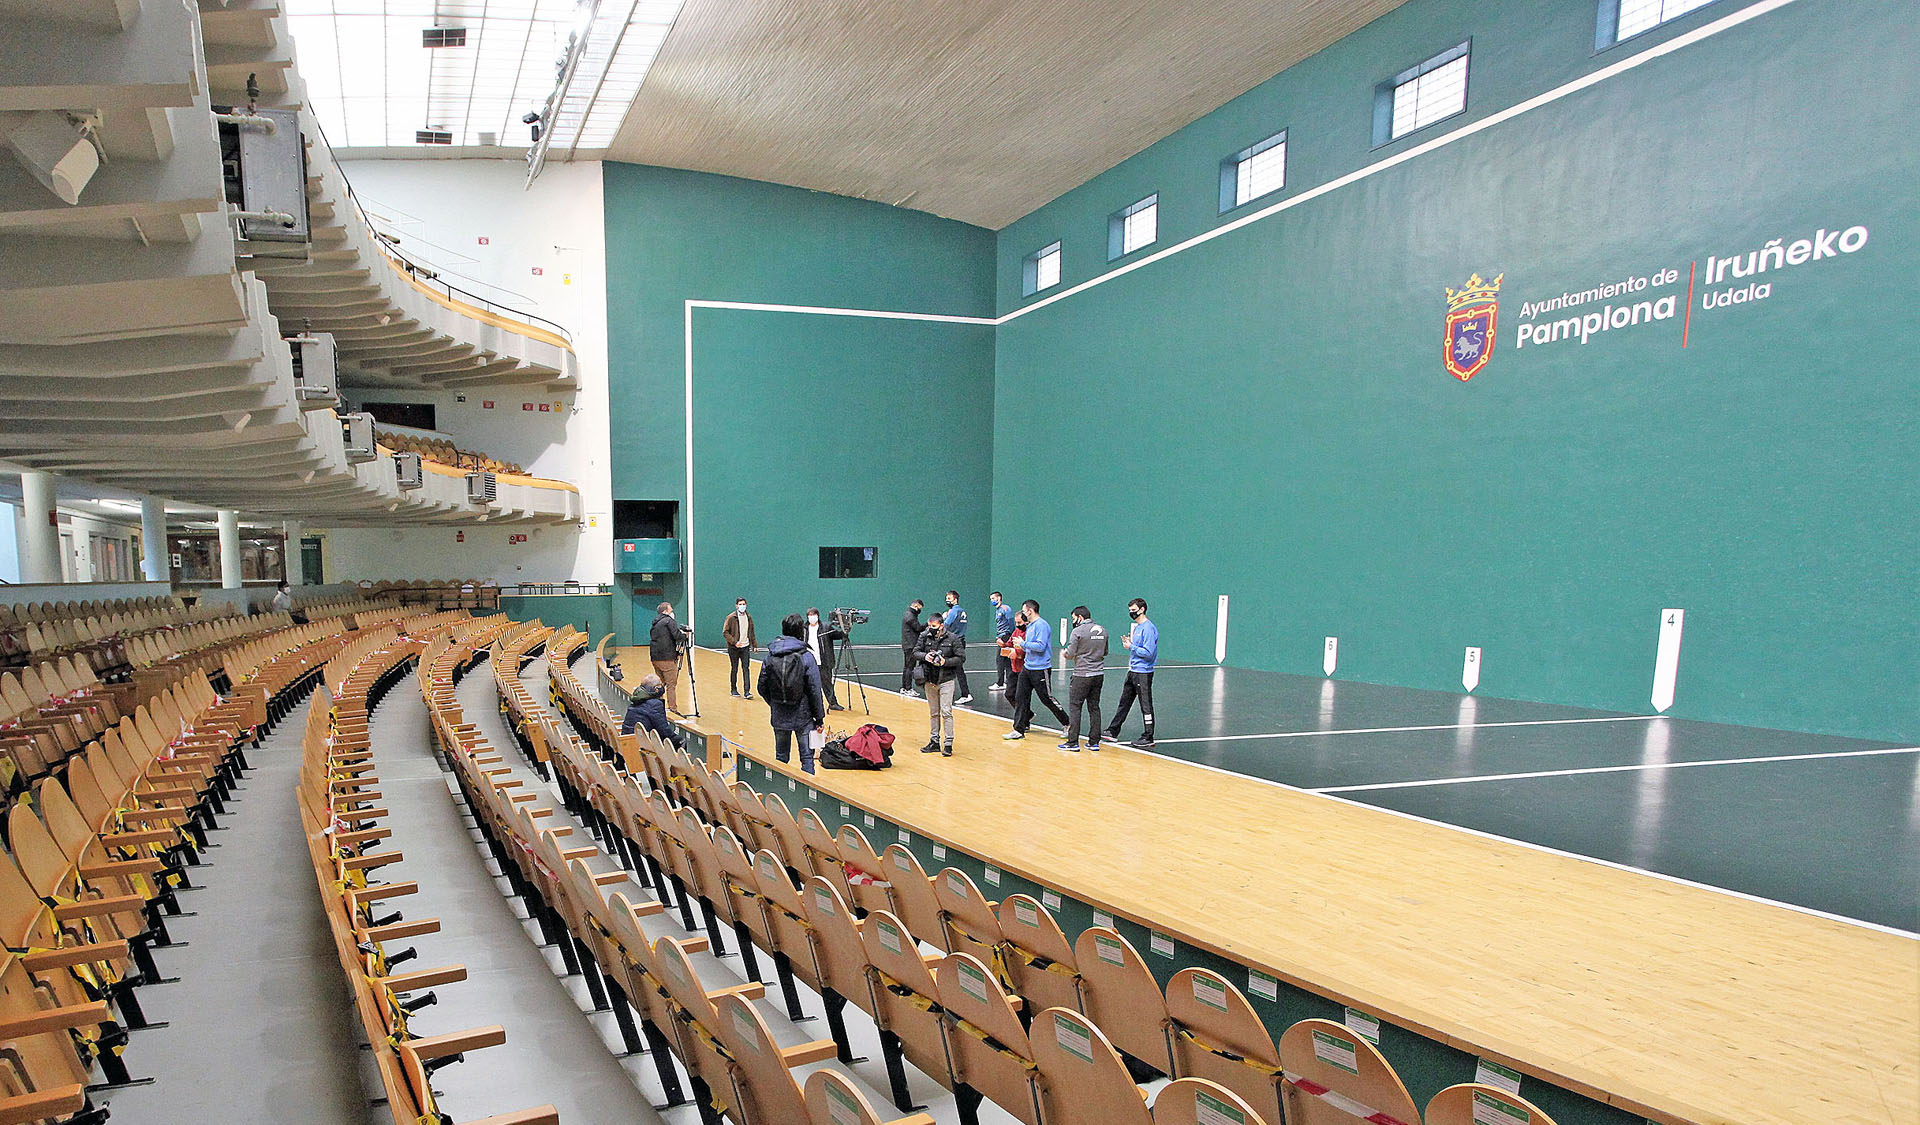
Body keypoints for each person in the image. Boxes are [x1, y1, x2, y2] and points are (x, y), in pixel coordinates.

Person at [760, 613, 826, 773]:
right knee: (807, 758)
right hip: (803, 716)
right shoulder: (807, 657)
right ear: (800, 632)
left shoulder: (770, 655)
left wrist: (774, 703)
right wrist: (819, 718)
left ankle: (779, 793)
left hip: (779, 714)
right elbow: (814, 690)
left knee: (781, 758)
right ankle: (808, 795)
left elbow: (761, 686)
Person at [1005, 599, 1069, 740]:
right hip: (1027, 668)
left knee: (1047, 699)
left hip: (1041, 669)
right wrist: (1020, 647)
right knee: (1020, 698)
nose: (1022, 613)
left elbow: (1040, 647)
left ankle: (1067, 723)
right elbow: (1029, 646)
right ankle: (1019, 729)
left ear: (1030, 610)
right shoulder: (1030, 626)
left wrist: (1023, 643)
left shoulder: (1042, 626)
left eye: (1023, 610)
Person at [1106, 597, 1158, 748]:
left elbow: (1149, 653)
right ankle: (1113, 731)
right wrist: (1130, 645)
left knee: (1146, 705)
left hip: (1143, 672)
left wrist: (1131, 647)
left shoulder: (1148, 628)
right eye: (1130, 611)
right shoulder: (1138, 627)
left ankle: (1148, 736)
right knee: (1124, 702)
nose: (1132, 613)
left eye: (1134, 611)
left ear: (1142, 610)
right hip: (1133, 671)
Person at [912, 612, 964, 756]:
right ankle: (934, 741)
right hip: (929, 680)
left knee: (946, 711)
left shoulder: (953, 638)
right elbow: (915, 652)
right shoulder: (924, 636)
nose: (930, 628)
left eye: (933, 626)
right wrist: (925, 656)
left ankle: (948, 743)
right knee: (933, 712)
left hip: (946, 679)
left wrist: (945, 662)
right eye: (929, 626)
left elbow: (961, 658)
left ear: (941, 625)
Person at [1060, 605, 1108, 751]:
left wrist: (1065, 653)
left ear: (1080, 617)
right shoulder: (1103, 630)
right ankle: (1094, 742)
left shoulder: (1077, 631)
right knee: (1094, 707)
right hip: (1098, 674)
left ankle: (1072, 742)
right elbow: (1105, 652)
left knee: (1075, 707)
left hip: (1081, 675)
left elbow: (1070, 653)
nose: (1073, 621)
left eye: (1074, 618)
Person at [620, 674, 685, 751]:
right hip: (642, 747)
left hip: (627, 742)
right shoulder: (655, 704)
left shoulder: (636, 700)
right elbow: (664, 730)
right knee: (680, 741)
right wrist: (675, 737)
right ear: (656, 689)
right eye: (661, 685)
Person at [804, 607, 849, 710]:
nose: (812, 617)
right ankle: (808, 704)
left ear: (817, 616)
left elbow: (837, 635)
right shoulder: (804, 628)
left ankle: (832, 703)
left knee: (827, 683)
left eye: (813, 615)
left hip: (824, 661)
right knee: (807, 684)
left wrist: (844, 631)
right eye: (810, 615)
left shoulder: (826, 627)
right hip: (808, 661)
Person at [648, 601, 685, 714]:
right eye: (671, 610)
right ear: (665, 611)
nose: (672, 612)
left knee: (660, 684)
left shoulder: (655, 623)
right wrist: (685, 635)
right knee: (671, 684)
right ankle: (673, 709)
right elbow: (677, 636)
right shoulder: (669, 621)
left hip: (655, 657)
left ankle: (657, 707)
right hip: (667, 658)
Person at [943, 590, 973, 704]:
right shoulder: (962, 611)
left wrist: (943, 617)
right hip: (960, 641)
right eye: (946, 598)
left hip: (955, 642)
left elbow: (945, 626)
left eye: (949, 598)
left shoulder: (953, 612)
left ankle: (965, 694)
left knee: (956, 668)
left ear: (955, 599)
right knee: (955, 668)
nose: (947, 600)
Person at [723, 597, 756, 698]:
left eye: (744, 604)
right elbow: (725, 632)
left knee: (746, 668)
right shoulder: (731, 617)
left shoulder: (749, 617)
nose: (742, 606)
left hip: (745, 647)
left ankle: (747, 691)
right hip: (734, 648)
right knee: (734, 668)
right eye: (740, 604)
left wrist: (754, 645)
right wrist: (734, 642)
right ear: (736, 605)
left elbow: (751, 632)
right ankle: (733, 689)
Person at [899, 598, 925, 695]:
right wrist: (928, 624)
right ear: (916, 606)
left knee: (907, 667)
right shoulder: (910, 616)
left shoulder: (908, 614)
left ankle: (904, 687)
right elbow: (918, 628)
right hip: (911, 645)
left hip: (907, 644)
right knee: (910, 667)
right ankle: (908, 689)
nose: (919, 611)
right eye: (919, 608)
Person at [990, 592, 1015, 690]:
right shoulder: (998, 610)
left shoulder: (1006, 609)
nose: (991, 600)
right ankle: (1007, 682)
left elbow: (1011, 622)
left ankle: (1000, 683)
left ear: (999, 598)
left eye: (993, 598)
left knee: (1000, 659)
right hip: (1001, 636)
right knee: (1005, 660)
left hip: (1006, 636)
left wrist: (1010, 637)